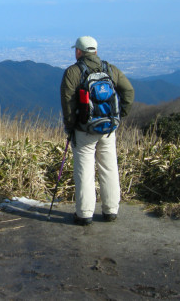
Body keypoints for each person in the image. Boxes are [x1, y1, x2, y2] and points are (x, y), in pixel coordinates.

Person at [60, 36, 134, 226]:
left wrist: (70, 127)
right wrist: (118, 116)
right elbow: (128, 91)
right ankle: (111, 211)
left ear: (79, 51)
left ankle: (84, 214)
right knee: (109, 167)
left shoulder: (73, 72)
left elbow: (68, 104)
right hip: (108, 129)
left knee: (85, 171)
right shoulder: (110, 69)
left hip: (84, 130)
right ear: (95, 51)